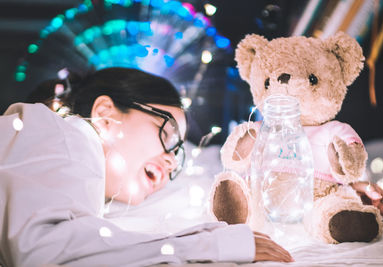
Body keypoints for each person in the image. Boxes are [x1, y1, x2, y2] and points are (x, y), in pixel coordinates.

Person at [0, 67, 293, 266]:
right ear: (104, 115)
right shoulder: (63, 132)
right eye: (165, 134)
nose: (170, 160)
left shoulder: (73, 174)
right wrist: (206, 244)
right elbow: (41, 250)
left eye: (178, 155)